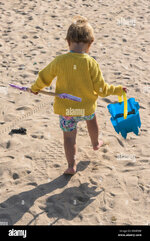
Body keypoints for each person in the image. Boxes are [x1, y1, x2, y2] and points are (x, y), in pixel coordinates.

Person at [30, 15, 127, 175]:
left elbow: (44, 77)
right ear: (90, 44)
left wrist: (35, 88)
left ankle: (71, 165)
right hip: (86, 108)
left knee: (69, 138)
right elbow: (102, 89)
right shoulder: (91, 63)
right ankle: (96, 143)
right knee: (91, 119)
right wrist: (117, 90)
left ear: (68, 41)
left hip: (67, 111)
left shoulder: (60, 60)